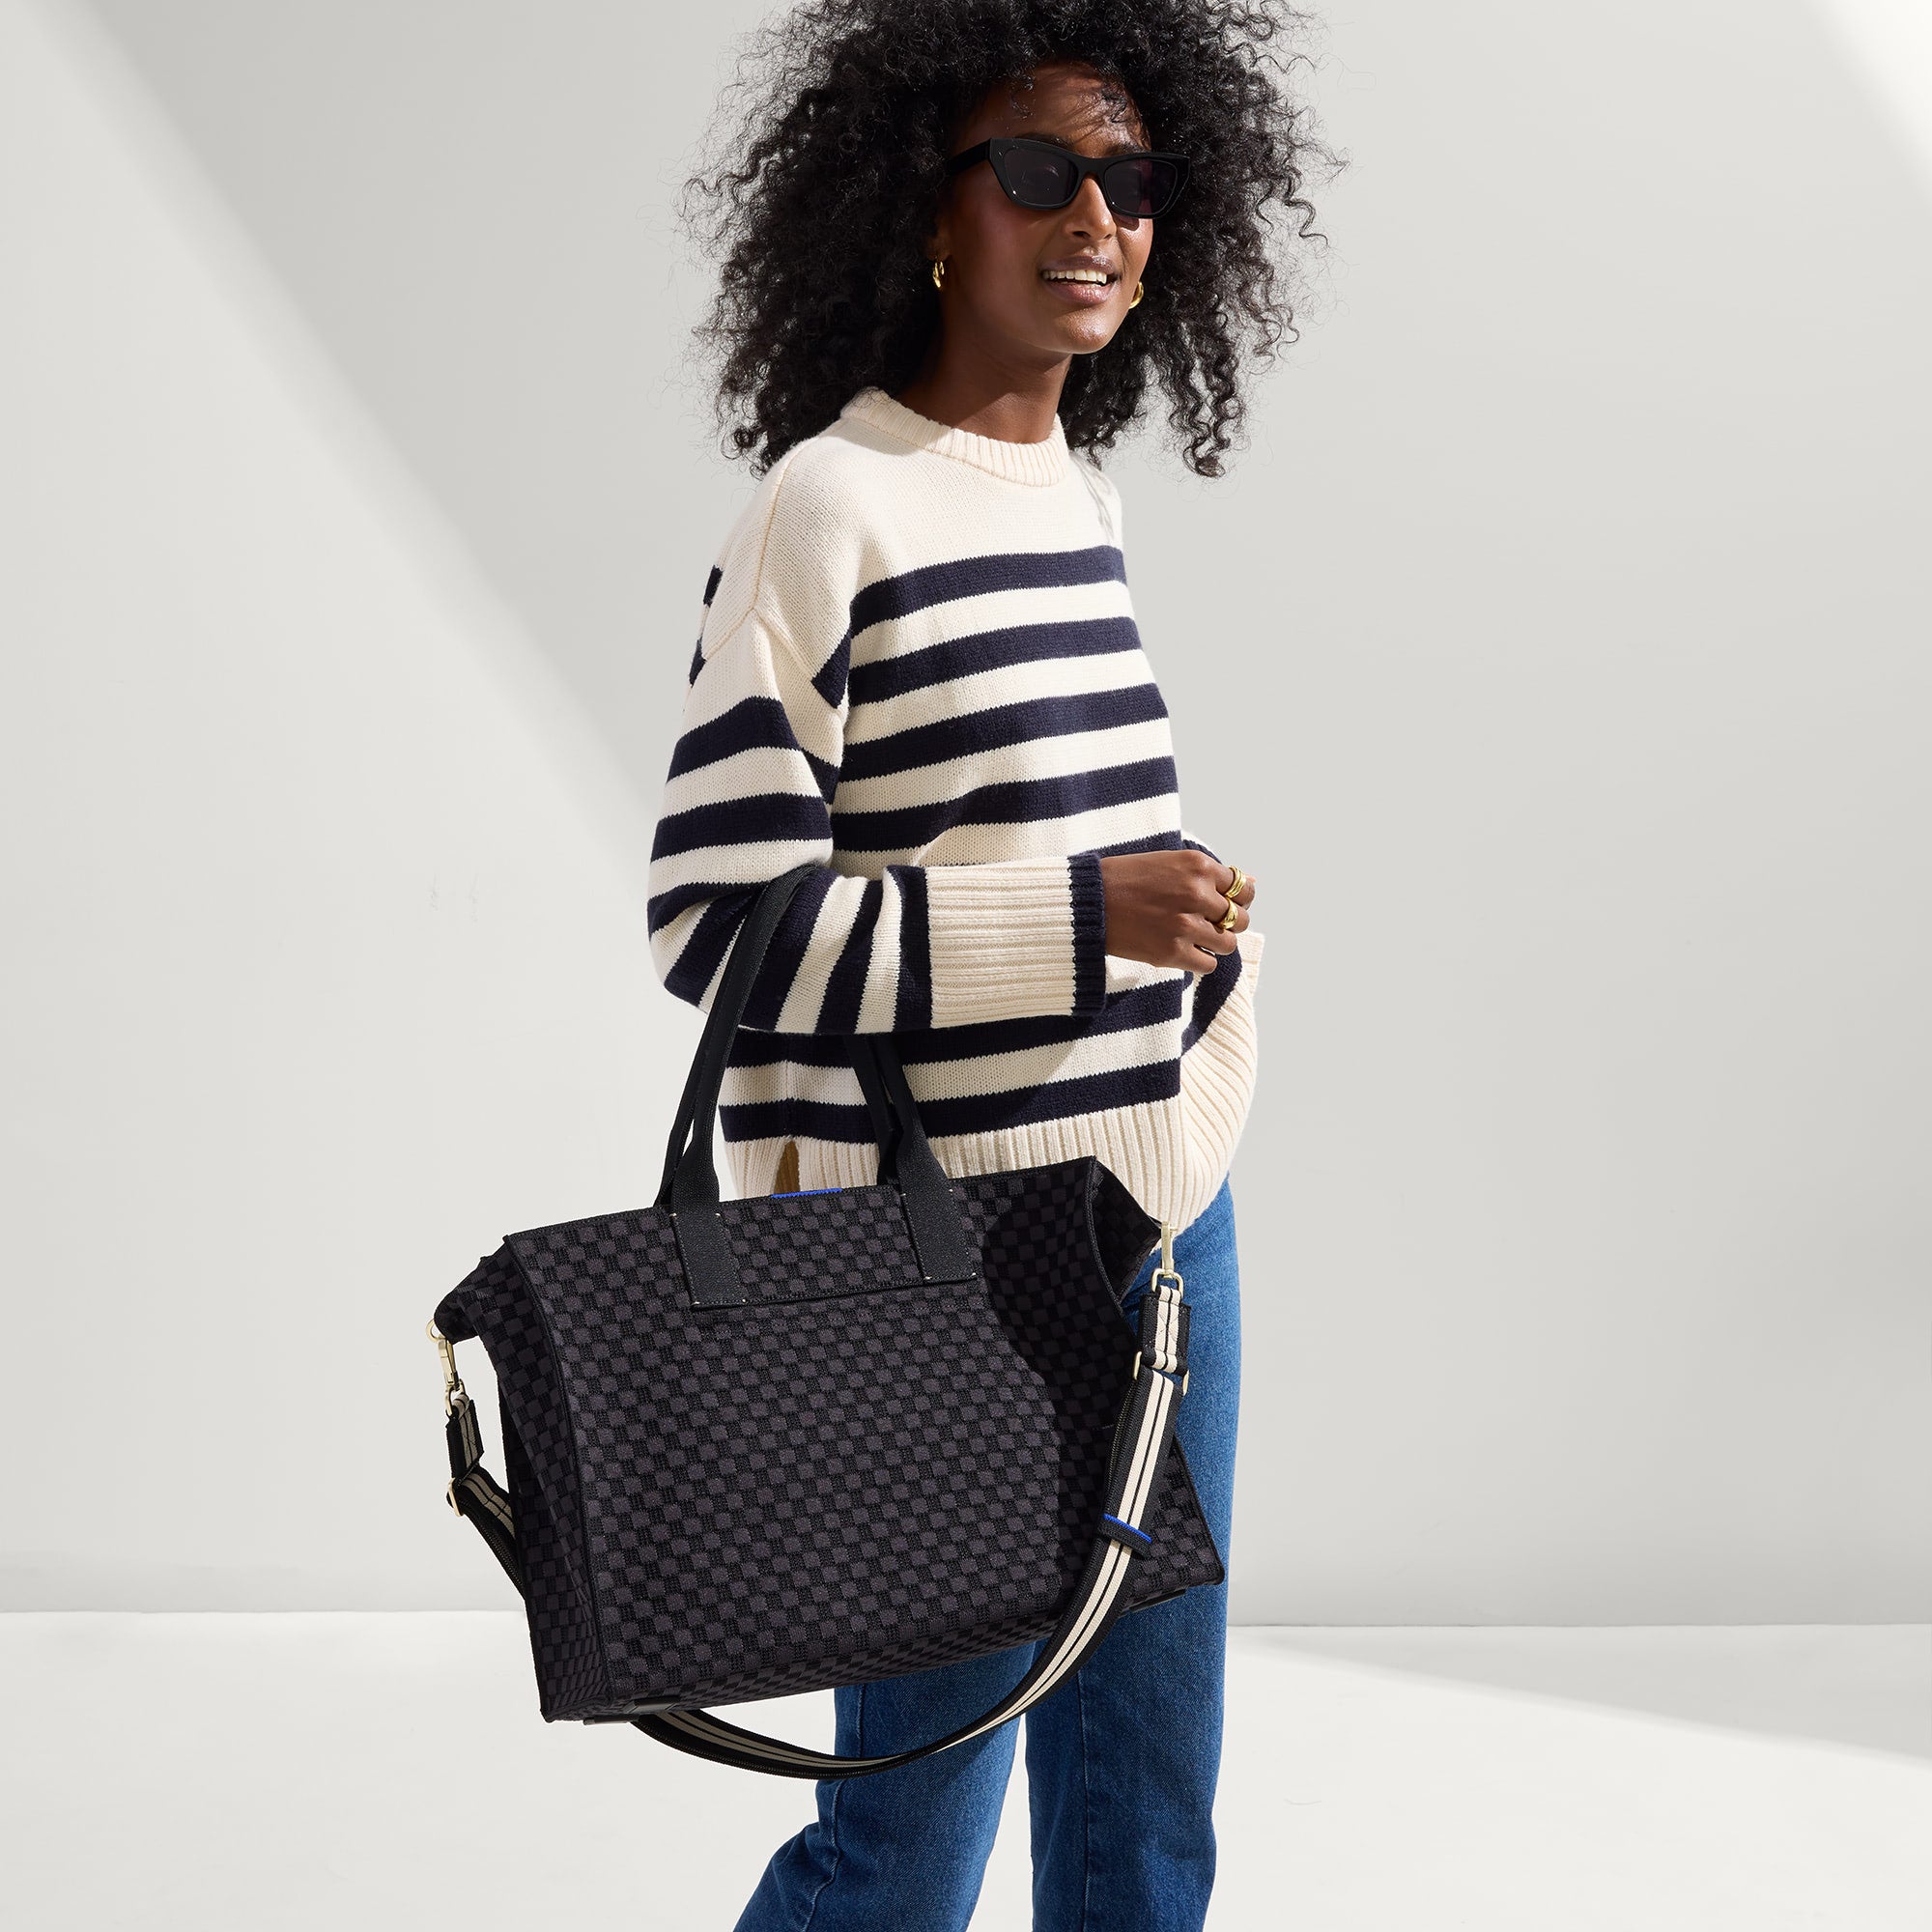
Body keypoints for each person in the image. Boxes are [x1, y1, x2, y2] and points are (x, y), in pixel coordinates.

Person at [651, 5, 1325, 1925]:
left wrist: (1198, 1019)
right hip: (934, 1259)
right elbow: (721, 919)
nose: (1093, 217)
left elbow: (1039, 846)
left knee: (1143, 1821)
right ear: (927, 212)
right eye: (1038, 171)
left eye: (1131, 180)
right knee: (904, 1839)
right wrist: (1092, 917)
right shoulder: (828, 508)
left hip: (1155, 1227)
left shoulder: (1077, 495)